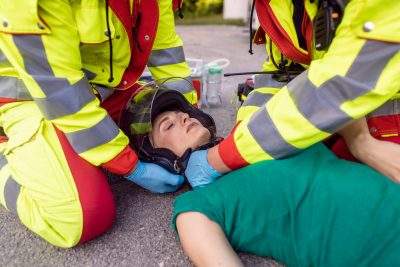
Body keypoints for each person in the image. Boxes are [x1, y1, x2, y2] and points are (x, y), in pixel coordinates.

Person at [121, 85, 400, 266]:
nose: (183, 117)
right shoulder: (198, 205)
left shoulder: (263, 136)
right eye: (167, 125)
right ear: (158, 159)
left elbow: (330, 94)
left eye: (182, 112)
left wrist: (362, 143)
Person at [0, 0, 196, 248]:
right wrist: (132, 166)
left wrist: (188, 110)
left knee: (179, 136)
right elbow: (59, 90)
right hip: (32, 96)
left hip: (102, 91)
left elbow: (165, 51)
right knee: (82, 217)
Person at [183, 0, 400, 188]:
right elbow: (280, 72)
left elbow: (343, 80)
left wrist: (223, 157)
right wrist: (245, 132)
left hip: (381, 125)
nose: (180, 118)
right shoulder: (274, 5)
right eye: (168, 125)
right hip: (342, 121)